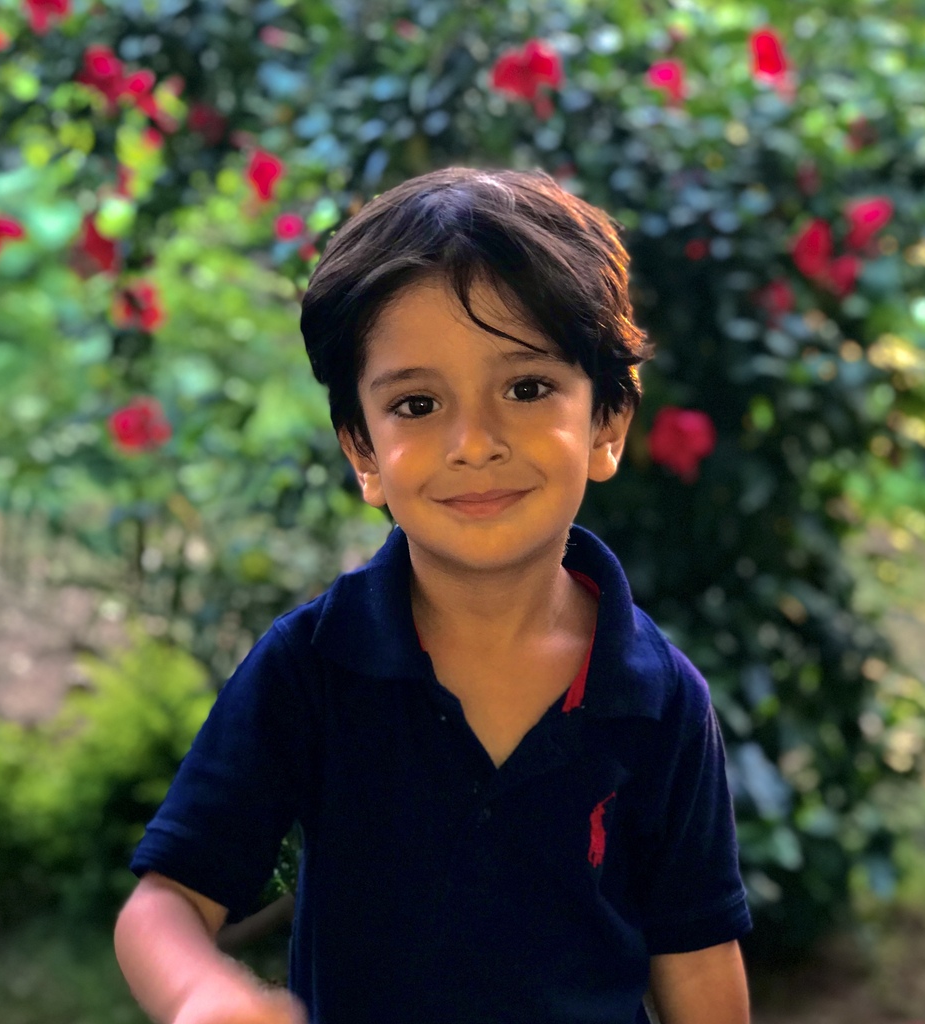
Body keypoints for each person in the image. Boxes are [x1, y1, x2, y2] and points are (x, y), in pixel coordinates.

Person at [114, 166, 752, 1024]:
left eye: (526, 389)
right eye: (417, 404)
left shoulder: (659, 698)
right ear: (364, 453)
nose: (474, 443)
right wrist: (202, 993)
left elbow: (699, 958)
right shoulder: (312, 670)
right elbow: (164, 904)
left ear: (606, 424)